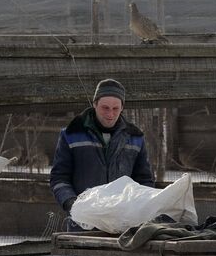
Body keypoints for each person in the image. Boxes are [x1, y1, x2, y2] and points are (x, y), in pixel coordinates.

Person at [49, 79, 155, 230]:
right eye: (105, 108)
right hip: (83, 224)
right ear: (94, 104)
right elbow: (59, 177)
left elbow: (144, 180)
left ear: (122, 108)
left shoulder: (135, 137)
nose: (110, 114)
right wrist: (72, 204)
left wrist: (140, 208)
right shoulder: (72, 134)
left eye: (115, 108)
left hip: (124, 225)